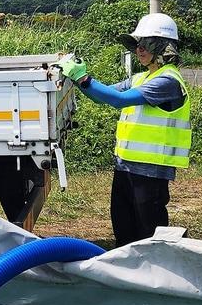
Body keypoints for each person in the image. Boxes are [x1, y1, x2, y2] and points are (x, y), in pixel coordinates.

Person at [53, 13, 191, 247]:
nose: (139, 50)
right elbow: (102, 96)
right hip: (125, 165)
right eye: (137, 45)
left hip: (151, 171)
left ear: (163, 47)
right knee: (124, 228)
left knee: (149, 232)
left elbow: (118, 100)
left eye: (146, 44)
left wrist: (83, 78)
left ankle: (156, 275)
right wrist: (77, 78)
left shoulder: (167, 82)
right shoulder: (142, 78)